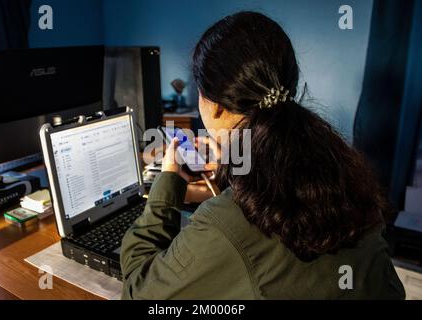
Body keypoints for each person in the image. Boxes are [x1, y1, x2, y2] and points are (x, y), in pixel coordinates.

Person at [119, 11, 405, 299]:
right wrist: (234, 171)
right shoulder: (344, 170)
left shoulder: (228, 224)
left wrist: (168, 177)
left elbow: (140, 293)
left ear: (214, 105)